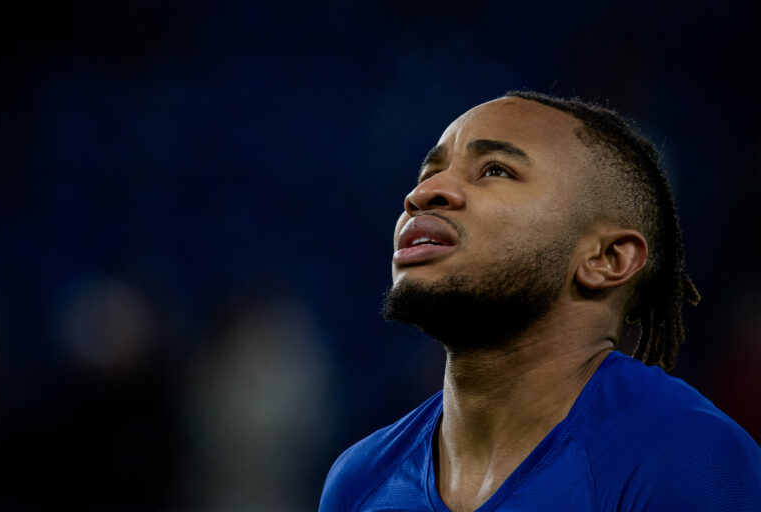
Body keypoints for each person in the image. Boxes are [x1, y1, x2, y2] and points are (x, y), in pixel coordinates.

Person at [319, 92, 761, 512]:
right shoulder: (360, 479)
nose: (424, 194)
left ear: (606, 259)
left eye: (496, 170)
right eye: (428, 174)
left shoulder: (686, 458)